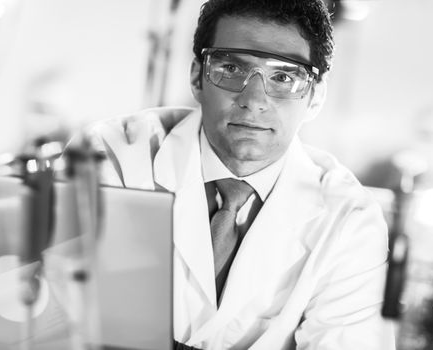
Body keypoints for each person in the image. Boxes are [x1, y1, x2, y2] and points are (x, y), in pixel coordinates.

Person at [86, 0, 395, 349]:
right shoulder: (113, 156)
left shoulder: (349, 220)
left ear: (316, 95)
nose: (253, 100)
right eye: (231, 68)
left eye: (283, 76)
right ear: (196, 77)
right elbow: (83, 325)